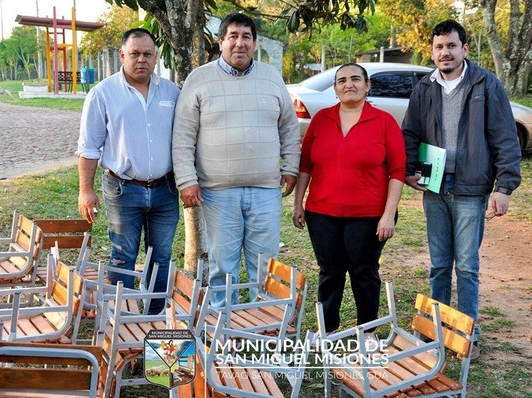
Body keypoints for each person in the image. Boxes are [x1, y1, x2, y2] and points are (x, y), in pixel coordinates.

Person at [402, 20, 521, 357]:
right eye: (439, 47)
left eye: (451, 46)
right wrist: (412, 169)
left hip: (471, 187)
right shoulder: (424, 86)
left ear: (464, 48)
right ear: (433, 51)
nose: (445, 52)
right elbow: (410, 132)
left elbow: (504, 137)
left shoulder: (486, 83)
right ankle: (434, 327)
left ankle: (467, 331)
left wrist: (504, 187)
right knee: (440, 263)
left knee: (467, 265)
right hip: (435, 186)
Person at [172, 13, 301, 308]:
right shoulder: (199, 79)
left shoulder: (272, 78)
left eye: (246, 37)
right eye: (233, 36)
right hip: (218, 192)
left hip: (266, 190)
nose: (239, 43)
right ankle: (223, 326)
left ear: (255, 43)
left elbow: (289, 127)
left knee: (266, 265)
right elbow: (182, 136)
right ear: (220, 42)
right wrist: (187, 181)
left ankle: (265, 325)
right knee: (223, 267)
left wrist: (291, 167)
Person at [293, 63, 406, 338]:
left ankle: (367, 331)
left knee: (364, 272)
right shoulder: (321, 119)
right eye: (342, 80)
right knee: (329, 272)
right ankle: (327, 330)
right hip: (322, 212)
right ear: (335, 89)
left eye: (356, 79)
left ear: (368, 86)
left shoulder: (384, 121)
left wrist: (388, 214)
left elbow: (398, 170)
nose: (349, 84)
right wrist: (298, 203)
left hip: (369, 215)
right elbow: (306, 164)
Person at [76, 28, 180, 315]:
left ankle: (155, 319)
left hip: (165, 189)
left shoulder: (171, 92)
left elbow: (184, 139)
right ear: (122, 55)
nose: (141, 60)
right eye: (135, 54)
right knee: (123, 256)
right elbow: (89, 147)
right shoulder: (103, 94)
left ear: (156, 57)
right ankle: (123, 322)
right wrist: (86, 190)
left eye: (148, 54)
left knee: (162, 256)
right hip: (123, 189)